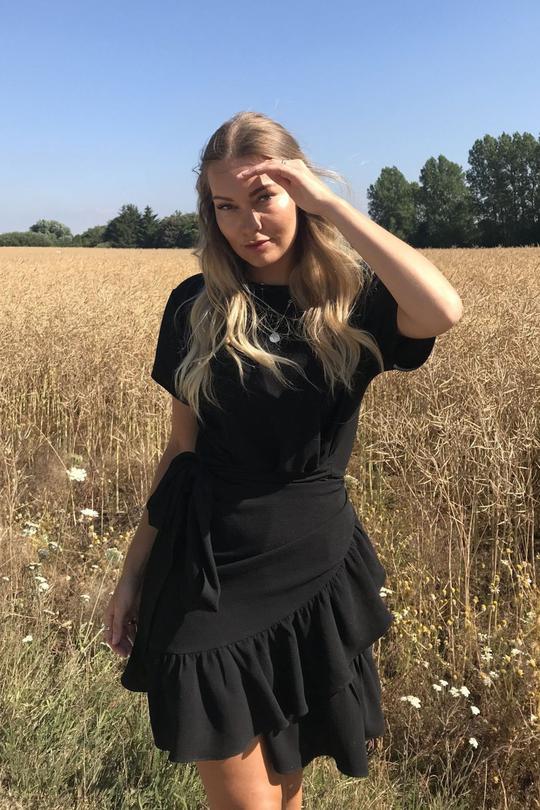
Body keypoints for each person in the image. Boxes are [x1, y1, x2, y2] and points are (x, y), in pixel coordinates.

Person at [102, 111, 462, 810]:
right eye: (225, 206)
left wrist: (332, 206)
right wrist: (131, 574)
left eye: (264, 196)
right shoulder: (195, 306)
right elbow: (181, 450)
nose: (247, 223)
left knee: (284, 786)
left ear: (299, 192)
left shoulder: (352, 301)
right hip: (205, 569)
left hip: (311, 565)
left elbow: (442, 309)